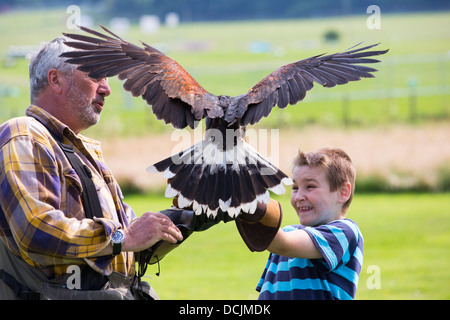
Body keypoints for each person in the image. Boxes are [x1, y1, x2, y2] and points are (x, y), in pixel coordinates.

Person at [0, 36, 185, 300]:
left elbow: (129, 246)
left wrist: (192, 213)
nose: (107, 89)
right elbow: (35, 228)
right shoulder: (24, 134)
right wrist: (122, 237)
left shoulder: (82, 152)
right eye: (96, 76)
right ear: (55, 80)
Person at [255, 147, 364, 300]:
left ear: (343, 192)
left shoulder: (345, 232)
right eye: (295, 188)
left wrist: (247, 202)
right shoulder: (287, 232)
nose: (299, 196)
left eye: (310, 186)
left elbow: (282, 245)